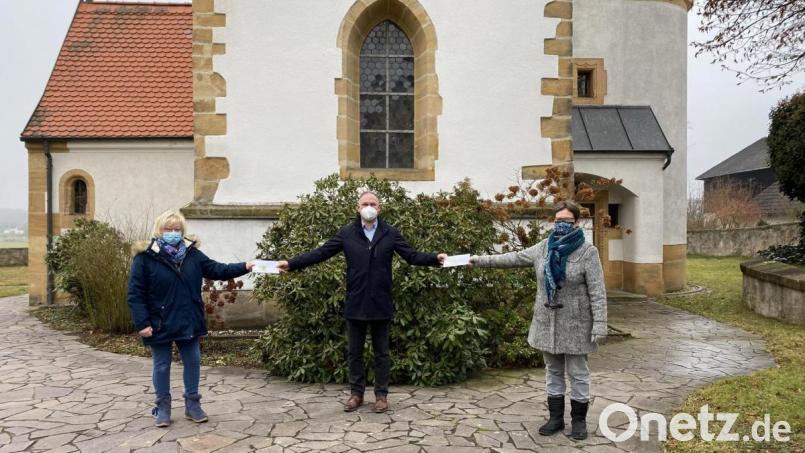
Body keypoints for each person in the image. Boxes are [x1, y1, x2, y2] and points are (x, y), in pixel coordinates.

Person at [276, 191, 447, 413]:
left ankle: (381, 395)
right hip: (356, 301)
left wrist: (435, 259)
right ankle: (356, 394)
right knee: (354, 352)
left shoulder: (390, 233)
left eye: (372, 203)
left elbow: (411, 256)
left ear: (379, 208)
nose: (369, 206)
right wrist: (291, 263)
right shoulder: (347, 233)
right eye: (365, 203)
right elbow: (321, 253)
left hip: (380, 301)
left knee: (382, 353)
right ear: (357, 208)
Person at [470, 200, 607, 440]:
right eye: (558, 220)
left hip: (576, 324)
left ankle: (578, 421)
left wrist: (600, 324)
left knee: (578, 373)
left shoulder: (588, 252)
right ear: (552, 222)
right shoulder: (543, 248)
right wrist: (476, 259)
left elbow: (597, 291)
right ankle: (555, 419)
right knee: (552, 371)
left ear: (577, 222)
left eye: (567, 221)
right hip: (546, 322)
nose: (562, 224)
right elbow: (511, 258)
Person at [127, 210, 254, 427]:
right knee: (161, 366)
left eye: (177, 229)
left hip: (188, 319)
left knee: (193, 362)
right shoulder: (145, 258)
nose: (173, 233)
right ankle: (163, 408)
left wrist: (245, 266)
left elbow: (217, 269)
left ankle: (192, 405)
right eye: (169, 229)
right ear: (159, 230)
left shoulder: (192, 254)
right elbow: (135, 294)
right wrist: (143, 323)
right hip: (159, 322)